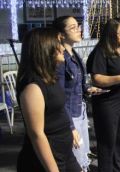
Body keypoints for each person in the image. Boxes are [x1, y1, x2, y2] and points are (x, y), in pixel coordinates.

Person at [16, 28, 81, 172]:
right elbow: (37, 134)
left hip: (64, 154)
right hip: (47, 160)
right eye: (57, 43)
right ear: (45, 49)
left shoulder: (50, 77)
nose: (62, 47)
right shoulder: (32, 87)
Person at [86, 18, 120, 171]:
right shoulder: (100, 52)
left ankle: (117, 168)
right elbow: (97, 79)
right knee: (107, 141)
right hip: (107, 102)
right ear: (111, 34)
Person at [53, 16, 101, 171]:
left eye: (78, 26)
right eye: (73, 28)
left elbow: (78, 85)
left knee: (81, 152)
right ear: (61, 35)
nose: (78, 30)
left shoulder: (74, 54)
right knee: (74, 156)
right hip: (69, 114)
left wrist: (88, 89)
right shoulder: (60, 59)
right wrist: (71, 127)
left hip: (79, 110)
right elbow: (60, 97)